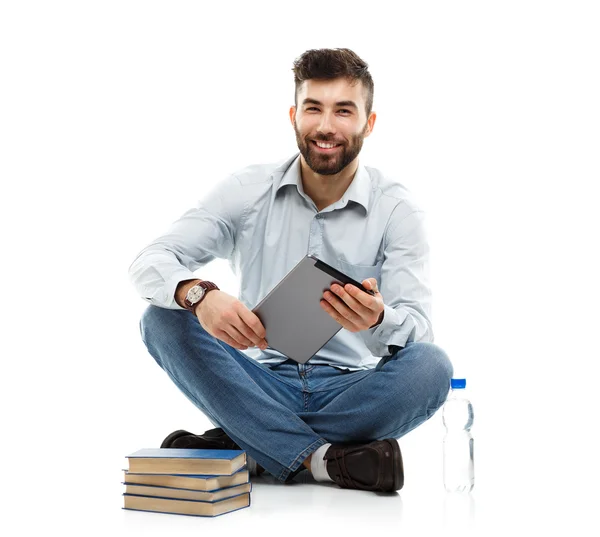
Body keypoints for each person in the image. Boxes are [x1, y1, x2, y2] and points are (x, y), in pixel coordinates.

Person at [129, 47, 453, 493]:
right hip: (256, 382)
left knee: (432, 367)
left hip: (353, 390)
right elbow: (150, 261)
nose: (325, 126)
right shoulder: (247, 190)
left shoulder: (398, 210)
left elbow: (418, 333)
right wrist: (199, 294)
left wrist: (379, 319)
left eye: (343, 110)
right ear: (293, 116)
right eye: (313, 108)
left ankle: (252, 443)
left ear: (368, 123)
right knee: (161, 318)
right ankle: (323, 460)